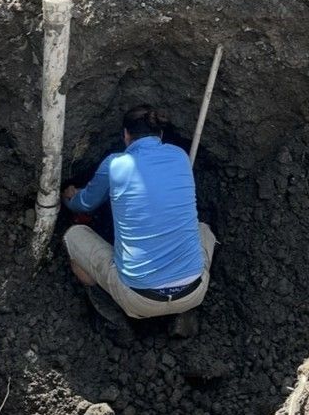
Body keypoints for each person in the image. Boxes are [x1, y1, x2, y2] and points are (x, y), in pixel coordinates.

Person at [62, 104, 216, 320]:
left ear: (125, 135)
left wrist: (68, 198)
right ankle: (183, 312)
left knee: (74, 236)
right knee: (203, 229)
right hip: (194, 291)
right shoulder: (181, 156)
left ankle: (111, 312)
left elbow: (84, 205)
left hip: (138, 299)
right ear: (160, 134)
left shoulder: (115, 163)